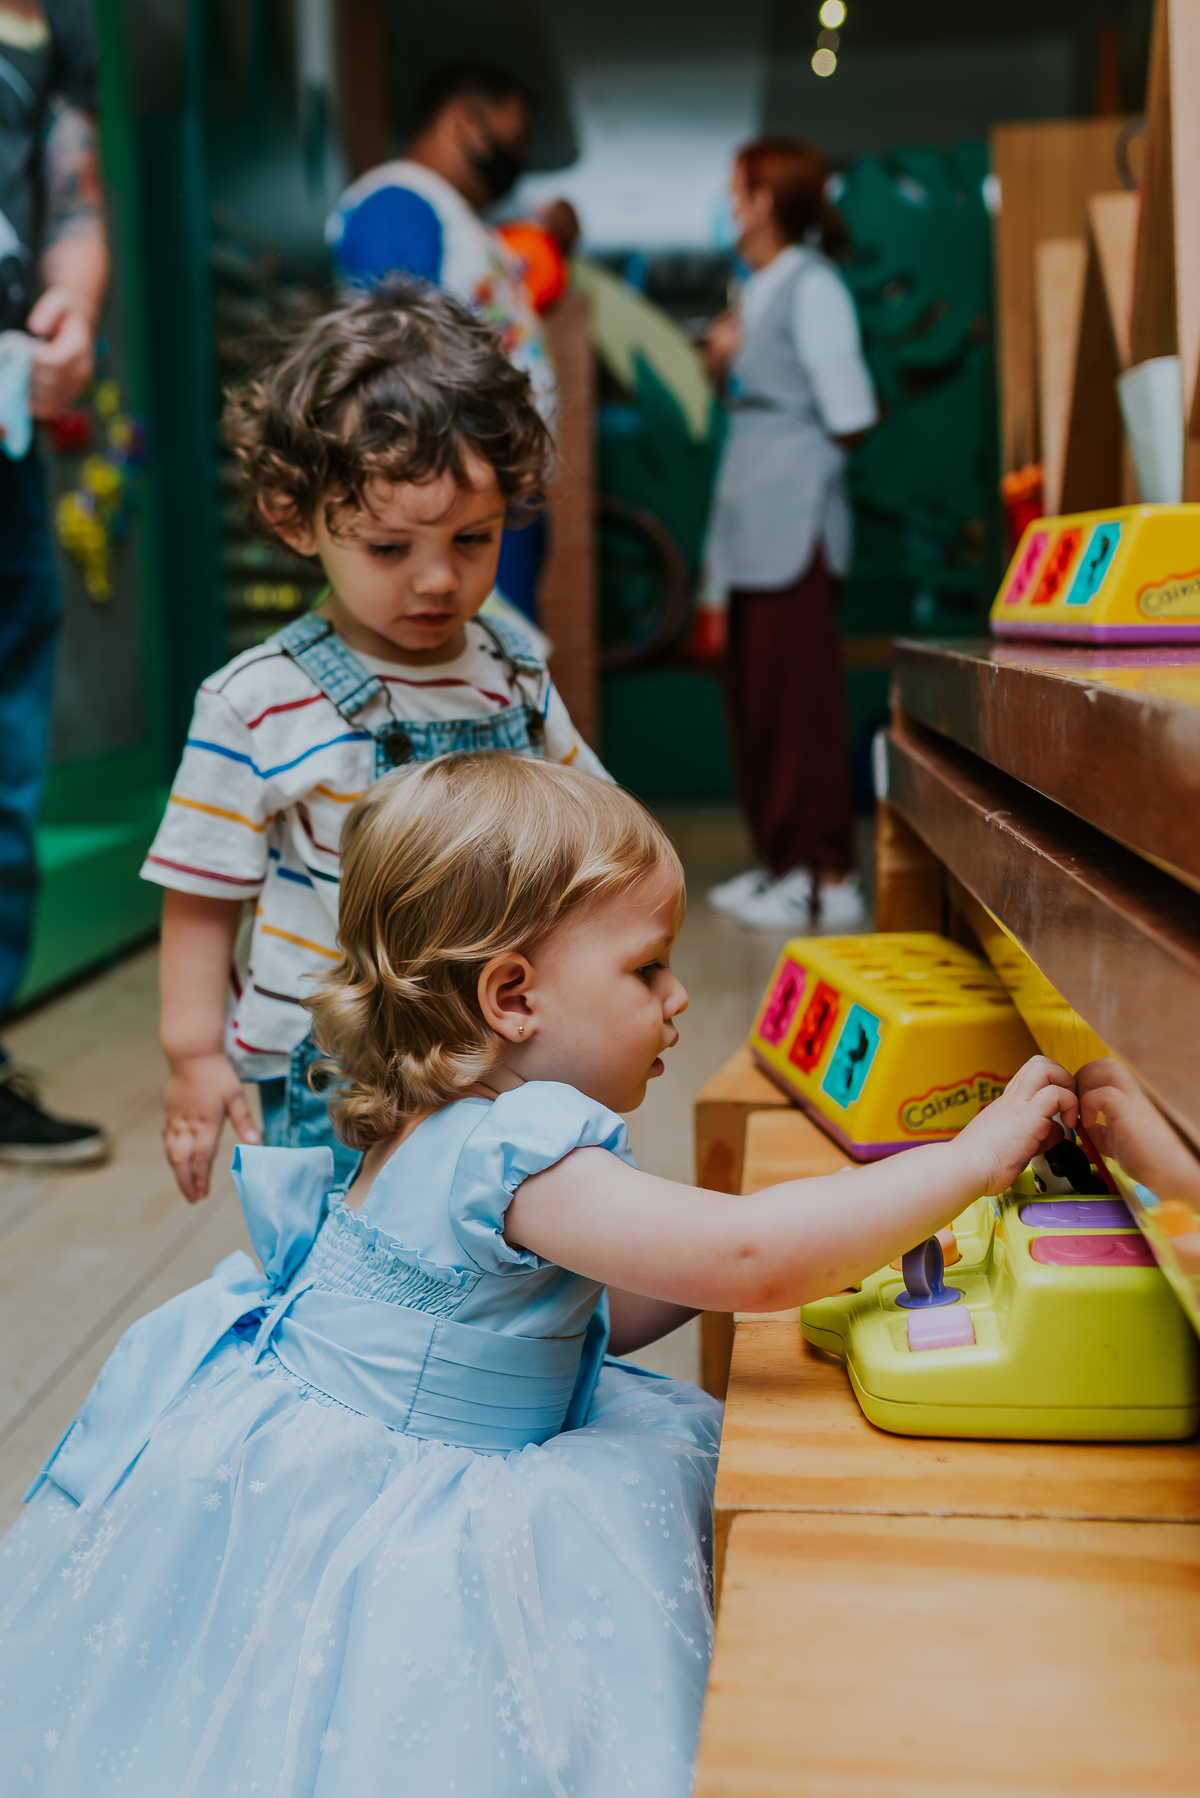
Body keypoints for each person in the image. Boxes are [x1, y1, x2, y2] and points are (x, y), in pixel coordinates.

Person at [0, 748, 1078, 1792]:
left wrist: (849, 1236)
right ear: (513, 997)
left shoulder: (432, 1115)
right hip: (426, 1513)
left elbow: (568, 1310)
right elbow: (747, 1254)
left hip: (312, 1453)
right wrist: (969, 1161)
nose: (679, 998)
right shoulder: (521, 1147)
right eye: (647, 966)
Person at [143, 285, 605, 1203]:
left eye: (473, 540)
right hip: (331, 1071)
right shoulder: (256, 701)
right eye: (390, 548)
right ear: (292, 515)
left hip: (498, 1041)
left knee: (491, 1249)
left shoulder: (513, 670)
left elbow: (597, 828)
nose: (439, 580)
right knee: (333, 1276)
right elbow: (203, 895)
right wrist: (194, 1055)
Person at [703, 136, 878, 932]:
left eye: (737, 190)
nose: (729, 204)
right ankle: (783, 863)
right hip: (751, 523)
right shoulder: (758, 289)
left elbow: (849, 415)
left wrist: (793, 454)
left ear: (766, 198)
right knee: (759, 699)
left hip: (792, 525)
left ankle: (826, 875)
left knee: (800, 703)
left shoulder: (813, 288)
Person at [326, 58, 554, 622]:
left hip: (485, 492)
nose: (518, 155)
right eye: (513, 135)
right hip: (453, 496)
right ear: (463, 120)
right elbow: (400, 353)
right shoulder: (399, 200)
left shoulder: (455, 214)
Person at [0, 0, 110, 1164]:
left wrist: (74, 304)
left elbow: (72, 191)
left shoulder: (55, 17)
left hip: (6, 428)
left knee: (3, 760)